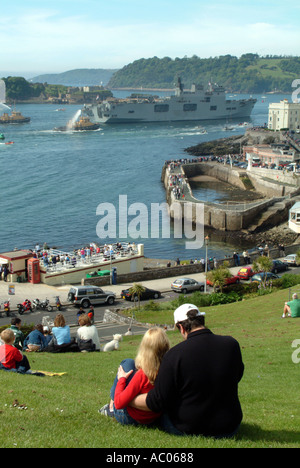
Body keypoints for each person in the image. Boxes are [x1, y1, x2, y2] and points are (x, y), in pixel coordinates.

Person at [131, 304, 244, 438]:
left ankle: (113, 408)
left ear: (182, 327)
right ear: (202, 320)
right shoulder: (231, 344)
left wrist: (129, 399)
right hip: (230, 425)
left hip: (189, 426)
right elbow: (237, 375)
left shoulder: (175, 355)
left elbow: (157, 401)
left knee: (128, 369)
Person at [99, 327, 170, 426]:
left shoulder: (142, 375)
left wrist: (122, 380)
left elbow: (119, 403)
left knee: (127, 363)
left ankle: (111, 407)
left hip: (132, 418)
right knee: (130, 363)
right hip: (154, 417)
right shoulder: (168, 372)